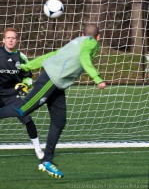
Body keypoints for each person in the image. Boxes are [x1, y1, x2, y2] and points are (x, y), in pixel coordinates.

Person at [0, 24, 106, 178]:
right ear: (99, 37)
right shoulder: (90, 42)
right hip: (50, 80)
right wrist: (97, 78)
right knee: (23, 110)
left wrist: (29, 65)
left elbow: (52, 54)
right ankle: (45, 159)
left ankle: (46, 160)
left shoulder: (76, 42)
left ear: (82, 33)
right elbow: (84, 58)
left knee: (59, 121)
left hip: (57, 85)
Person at [0, 27, 44, 159]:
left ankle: (38, 148)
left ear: (17, 40)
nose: (11, 40)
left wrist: (25, 85)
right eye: (8, 37)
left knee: (27, 118)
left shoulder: (21, 57)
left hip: (13, 95)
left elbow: (29, 76)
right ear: (3, 40)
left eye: (13, 38)